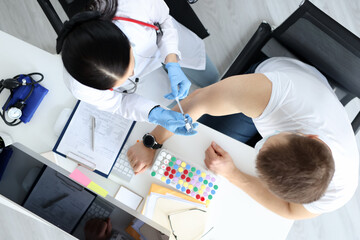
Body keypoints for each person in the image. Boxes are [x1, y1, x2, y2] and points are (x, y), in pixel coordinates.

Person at [127, 57, 359, 219]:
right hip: (276, 83)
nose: (262, 143)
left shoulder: (340, 190)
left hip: (287, 108)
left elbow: (290, 211)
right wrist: (152, 141)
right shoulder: (274, 96)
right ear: (311, 137)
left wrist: (233, 174)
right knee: (196, 134)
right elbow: (199, 100)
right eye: (271, 139)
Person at [56, 0, 219, 135]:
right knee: (175, 106)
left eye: (130, 66)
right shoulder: (80, 87)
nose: (133, 73)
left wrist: (172, 60)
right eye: (122, 80)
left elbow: (164, 20)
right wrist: (156, 114)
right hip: (146, 82)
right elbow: (118, 103)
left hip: (168, 44)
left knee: (212, 79)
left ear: (126, 41)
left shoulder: (134, 5)